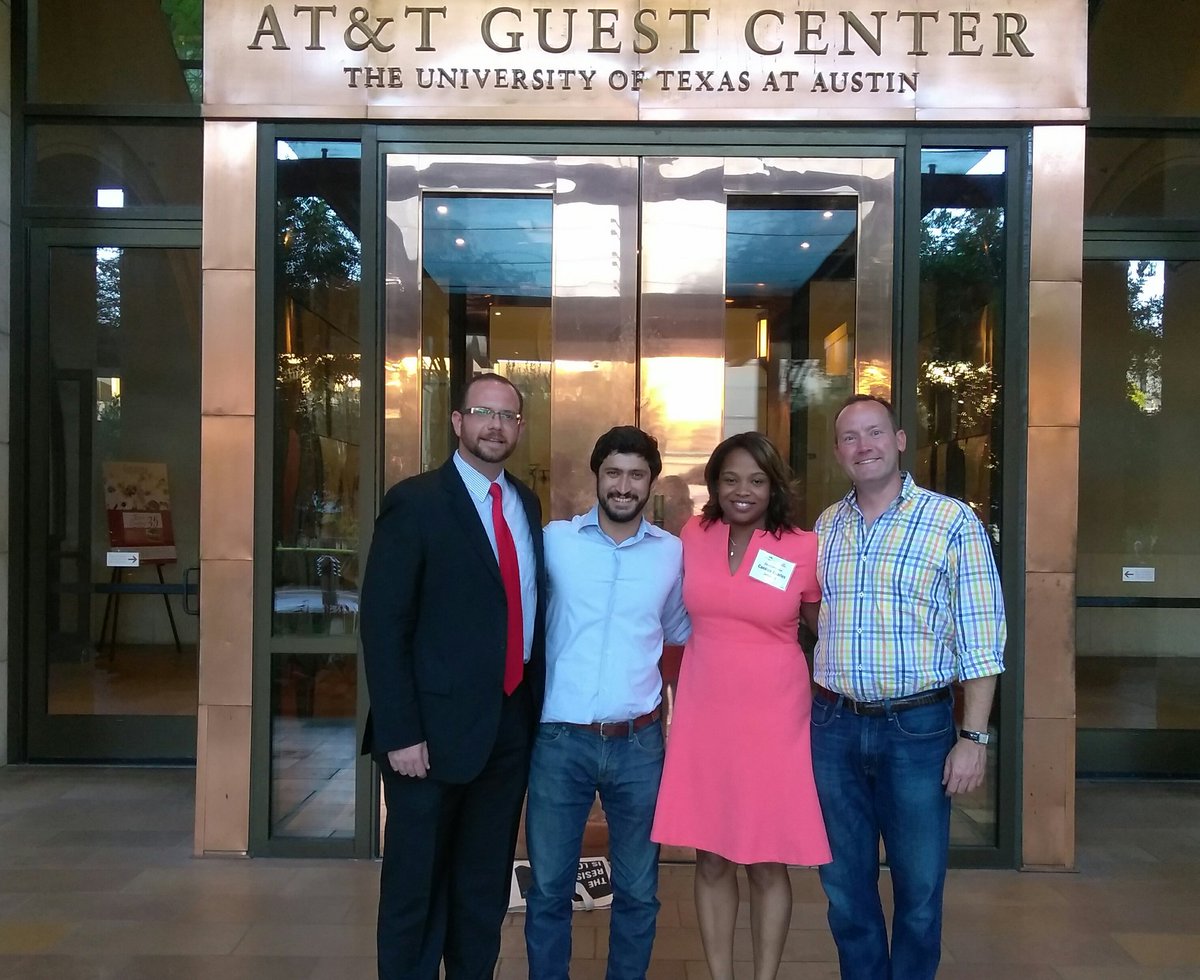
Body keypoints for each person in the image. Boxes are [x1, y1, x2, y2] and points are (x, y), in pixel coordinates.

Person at [811, 394, 1007, 980]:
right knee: (845, 890)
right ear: (839, 451)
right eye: (850, 437)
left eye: (874, 433)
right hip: (835, 726)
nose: (862, 446)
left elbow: (981, 637)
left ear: (899, 440)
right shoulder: (827, 526)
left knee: (919, 894)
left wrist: (973, 736)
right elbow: (813, 618)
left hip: (917, 730)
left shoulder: (953, 522)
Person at [360, 372, 546, 980]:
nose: (495, 426)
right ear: (457, 422)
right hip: (428, 739)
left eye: (507, 417)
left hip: (506, 729)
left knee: (482, 887)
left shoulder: (525, 502)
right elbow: (384, 624)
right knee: (416, 889)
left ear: (519, 427)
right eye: (482, 413)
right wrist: (399, 730)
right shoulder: (415, 501)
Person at [652, 431, 831, 980]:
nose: (742, 490)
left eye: (756, 479)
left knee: (766, 855)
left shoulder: (803, 546)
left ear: (775, 485)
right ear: (714, 484)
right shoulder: (694, 533)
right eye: (730, 478)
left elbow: (824, 631)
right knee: (709, 854)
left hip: (775, 714)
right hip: (705, 709)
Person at [524, 425, 690, 980]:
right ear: (596, 477)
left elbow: (676, 629)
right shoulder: (555, 543)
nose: (624, 485)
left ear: (651, 483)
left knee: (640, 891)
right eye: (614, 473)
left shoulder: (672, 556)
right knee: (548, 888)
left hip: (639, 742)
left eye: (636, 475)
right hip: (559, 739)